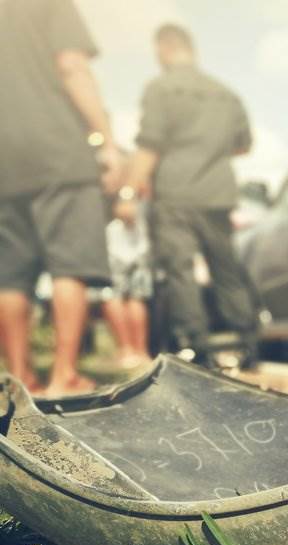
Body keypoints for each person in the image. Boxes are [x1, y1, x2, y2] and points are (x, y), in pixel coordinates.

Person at [0, 0, 123, 395]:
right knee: (70, 261)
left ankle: (21, 378)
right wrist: (106, 141)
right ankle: (64, 375)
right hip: (56, 144)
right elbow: (72, 66)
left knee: (9, 272)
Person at [115, 23, 257, 366]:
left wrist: (128, 193)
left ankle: (195, 347)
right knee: (226, 268)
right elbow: (243, 145)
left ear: (163, 49)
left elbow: (149, 145)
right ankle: (247, 344)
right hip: (217, 194)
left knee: (180, 271)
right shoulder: (225, 93)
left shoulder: (161, 88)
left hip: (175, 194)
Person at [103, 186, 154, 370]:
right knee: (114, 300)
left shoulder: (142, 227)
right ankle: (127, 350)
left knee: (134, 301)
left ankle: (138, 351)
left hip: (135, 267)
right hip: (119, 267)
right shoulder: (113, 229)